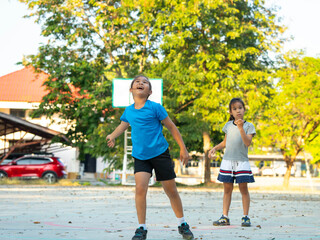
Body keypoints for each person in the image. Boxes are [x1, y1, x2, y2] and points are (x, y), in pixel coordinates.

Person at [106, 75, 194, 240]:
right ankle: (141, 228)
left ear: (150, 91)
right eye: (137, 82)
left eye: (145, 82)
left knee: (171, 190)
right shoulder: (129, 111)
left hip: (160, 153)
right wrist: (112, 135)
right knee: (140, 189)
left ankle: (182, 224)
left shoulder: (156, 108)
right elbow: (123, 125)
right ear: (131, 89)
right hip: (141, 156)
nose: (141, 83)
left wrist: (183, 148)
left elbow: (172, 128)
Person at [209, 98, 256, 227]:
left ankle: (245, 217)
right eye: (234, 109)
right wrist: (215, 148)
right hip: (227, 162)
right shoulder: (228, 126)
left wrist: (241, 128)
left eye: (240, 108)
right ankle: (225, 217)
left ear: (244, 109)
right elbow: (225, 142)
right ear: (230, 112)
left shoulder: (249, 126)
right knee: (227, 190)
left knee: (243, 190)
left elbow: (247, 142)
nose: (238, 111)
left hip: (242, 162)